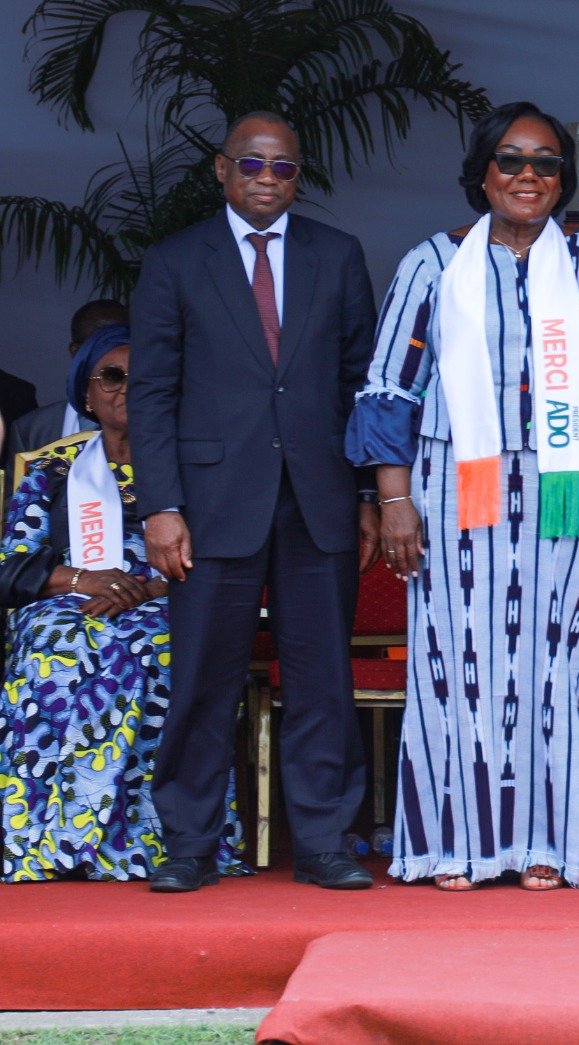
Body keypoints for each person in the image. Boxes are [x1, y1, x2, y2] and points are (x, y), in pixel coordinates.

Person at [347, 100, 579, 891]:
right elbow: (389, 389)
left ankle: (547, 838)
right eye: (511, 160)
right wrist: (395, 498)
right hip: (456, 477)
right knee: (455, 657)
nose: (528, 176)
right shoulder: (431, 264)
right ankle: (452, 841)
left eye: (546, 162)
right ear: (481, 174)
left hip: (570, 482)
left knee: (548, 661)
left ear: (562, 179)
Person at [129, 110, 378, 893]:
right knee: (205, 675)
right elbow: (150, 394)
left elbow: (361, 386)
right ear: (221, 169)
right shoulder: (175, 261)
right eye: (253, 165)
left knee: (321, 676)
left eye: (284, 168)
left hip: (318, 498)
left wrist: (371, 492)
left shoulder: (336, 256)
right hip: (208, 504)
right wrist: (159, 505)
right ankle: (188, 845)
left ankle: (325, 840)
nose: (268, 179)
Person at [0, 325, 248, 881]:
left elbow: (233, 551)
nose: (127, 389)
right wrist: (86, 579)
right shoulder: (53, 469)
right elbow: (12, 564)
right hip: (70, 597)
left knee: (158, 643)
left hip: (174, 596)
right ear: (86, 394)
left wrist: (156, 586)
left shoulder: (202, 464)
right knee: (55, 647)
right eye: (112, 377)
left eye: (145, 379)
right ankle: (49, 842)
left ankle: (162, 843)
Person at [8, 300, 130, 455]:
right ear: (76, 351)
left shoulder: (166, 430)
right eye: (112, 375)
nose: (125, 388)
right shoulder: (30, 430)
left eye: (124, 340)